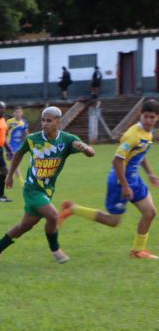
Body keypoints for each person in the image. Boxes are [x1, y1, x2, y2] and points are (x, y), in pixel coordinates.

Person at [0, 106, 95, 264]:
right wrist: (9, 176)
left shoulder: (67, 140)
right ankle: (56, 251)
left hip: (47, 190)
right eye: (43, 120)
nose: (44, 124)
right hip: (32, 189)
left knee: (24, 226)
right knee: (53, 216)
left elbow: (91, 153)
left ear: (58, 121)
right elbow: (18, 154)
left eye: (49, 121)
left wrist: (85, 149)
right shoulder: (33, 139)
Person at [59, 98, 159, 259]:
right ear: (140, 115)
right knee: (113, 221)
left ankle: (137, 251)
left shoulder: (148, 134)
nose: (148, 120)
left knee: (150, 213)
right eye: (145, 116)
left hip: (134, 179)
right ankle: (73, 209)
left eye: (152, 117)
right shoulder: (132, 135)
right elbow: (117, 161)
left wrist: (150, 174)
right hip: (120, 181)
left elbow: (140, 154)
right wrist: (125, 186)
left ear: (157, 117)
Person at [5, 105, 29, 183]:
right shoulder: (9, 122)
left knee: (13, 164)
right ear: (14, 113)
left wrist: (27, 143)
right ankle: (22, 181)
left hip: (19, 145)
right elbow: (4, 132)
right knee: (15, 163)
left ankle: (6, 176)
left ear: (22, 113)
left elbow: (26, 134)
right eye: (16, 112)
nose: (18, 114)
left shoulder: (24, 122)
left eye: (19, 112)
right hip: (10, 145)